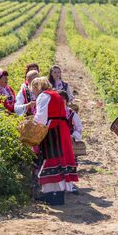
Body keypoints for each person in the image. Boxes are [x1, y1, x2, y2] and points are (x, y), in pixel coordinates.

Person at [31, 77, 78, 205]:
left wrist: (32, 125)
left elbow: (41, 117)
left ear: (37, 87)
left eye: (33, 90)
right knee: (61, 159)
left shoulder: (43, 96)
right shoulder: (55, 95)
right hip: (62, 129)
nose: (33, 93)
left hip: (53, 131)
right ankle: (58, 195)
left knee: (52, 159)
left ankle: (53, 196)